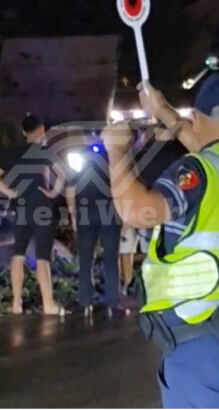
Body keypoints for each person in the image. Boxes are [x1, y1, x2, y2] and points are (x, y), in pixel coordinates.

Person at [103, 73, 219, 408]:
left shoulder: (198, 171)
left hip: (202, 353)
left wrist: (116, 151)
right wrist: (164, 112)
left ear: (197, 119)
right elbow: (216, 153)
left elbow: (137, 210)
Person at [0, 114, 65, 316]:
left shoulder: (11, 153)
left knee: (18, 253)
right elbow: (62, 175)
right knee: (43, 257)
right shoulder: (45, 152)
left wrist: (9, 192)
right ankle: (48, 304)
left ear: (24, 132)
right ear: (42, 131)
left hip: (21, 208)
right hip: (42, 208)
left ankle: (16, 303)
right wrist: (53, 193)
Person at [119, 125, 189, 295]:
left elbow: (132, 182)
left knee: (148, 252)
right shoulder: (183, 153)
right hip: (177, 211)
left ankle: (147, 287)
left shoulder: (144, 154)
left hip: (148, 209)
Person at [64, 131, 123, 316]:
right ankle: (113, 303)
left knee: (85, 259)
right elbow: (121, 187)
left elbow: (70, 189)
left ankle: (85, 302)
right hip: (109, 212)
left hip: (85, 212)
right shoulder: (113, 158)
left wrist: (73, 215)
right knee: (111, 258)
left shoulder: (77, 159)